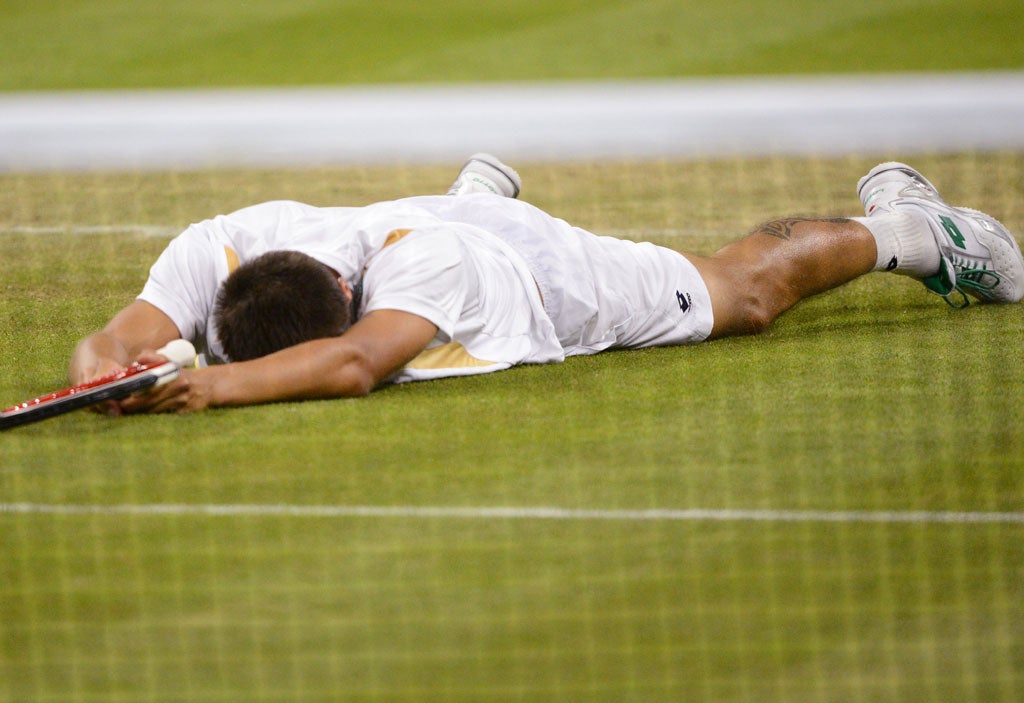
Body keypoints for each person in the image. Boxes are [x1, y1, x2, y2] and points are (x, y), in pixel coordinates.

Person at [68, 154, 1024, 415]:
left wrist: (207, 383)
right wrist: (103, 374)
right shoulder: (219, 246)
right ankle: (465, 190)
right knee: (443, 240)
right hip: (428, 232)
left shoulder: (412, 282)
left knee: (746, 295)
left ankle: (916, 230)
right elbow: (114, 337)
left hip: (525, 268)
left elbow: (356, 365)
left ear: (347, 294)